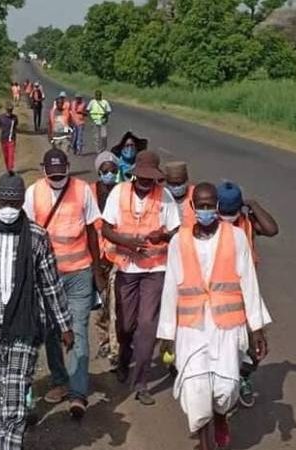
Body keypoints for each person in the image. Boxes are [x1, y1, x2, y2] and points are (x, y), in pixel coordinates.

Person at [0, 173, 74, 450]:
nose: (9, 208)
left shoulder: (37, 236)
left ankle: (3, 446)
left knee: (14, 392)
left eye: (15, 202)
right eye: (5, 201)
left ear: (22, 202)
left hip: (25, 324)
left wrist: (64, 325)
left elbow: (51, 285)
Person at [156, 182, 271, 449]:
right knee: (197, 393)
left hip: (227, 329)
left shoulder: (236, 237)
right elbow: (170, 287)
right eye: (201, 206)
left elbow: (249, 284)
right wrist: (166, 334)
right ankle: (206, 439)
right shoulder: (178, 241)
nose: (206, 210)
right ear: (193, 207)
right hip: (191, 329)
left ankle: (221, 416)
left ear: (218, 207)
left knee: (224, 390)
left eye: (211, 205)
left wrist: (257, 329)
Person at [23, 148, 105, 417]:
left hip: (79, 273)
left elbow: (93, 231)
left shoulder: (82, 190)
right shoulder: (33, 193)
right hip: (46, 276)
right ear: (44, 170)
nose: (57, 178)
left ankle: (78, 392)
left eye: (61, 173)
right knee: (50, 330)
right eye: (52, 174)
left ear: (68, 168)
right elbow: (26, 235)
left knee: (77, 329)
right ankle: (60, 380)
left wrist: (97, 271)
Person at [101, 150, 180, 406]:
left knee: (147, 325)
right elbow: (106, 228)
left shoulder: (164, 197)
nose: (147, 182)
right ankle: (124, 357)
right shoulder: (119, 192)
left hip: (155, 269)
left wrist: (163, 237)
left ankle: (142, 381)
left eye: (151, 178)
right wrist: (127, 242)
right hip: (126, 267)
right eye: (143, 177)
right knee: (125, 325)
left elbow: (176, 232)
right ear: (135, 175)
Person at [216, 181, 278, 407]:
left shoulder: (247, 223)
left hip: (246, 292)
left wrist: (253, 205)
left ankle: (243, 378)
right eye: (224, 212)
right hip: (217, 293)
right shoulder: (209, 225)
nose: (227, 217)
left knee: (255, 343)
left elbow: (272, 229)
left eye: (232, 212)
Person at [91, 151, 120, 369]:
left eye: (113, 171)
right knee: (100, 303)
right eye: (105, 171)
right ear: (99, 171)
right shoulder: (90, 193)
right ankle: (104, 339)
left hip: (116, 256)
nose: (109, 174)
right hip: (95, 256)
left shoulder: (121, 193)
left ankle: (116, 345)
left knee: (116, 304)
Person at [164, 161, 196, 227]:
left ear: (186, 180)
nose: (176, 187)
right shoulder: (163, 196)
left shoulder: (196, 194)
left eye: (179, 184)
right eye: (172, 184)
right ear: (167, 182)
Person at [0, 102, 19, 173]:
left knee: (11, 154)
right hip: (3, 139)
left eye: (11, 110)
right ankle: (8, 168)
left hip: (11, 139)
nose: (10, 111)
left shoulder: (15, 118)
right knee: (6, 155)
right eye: (8, 110)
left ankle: (10, 168)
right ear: (6, 110)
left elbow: (15, 127)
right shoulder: (1, 118)